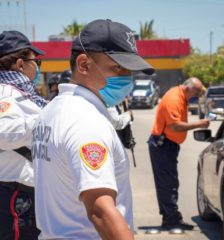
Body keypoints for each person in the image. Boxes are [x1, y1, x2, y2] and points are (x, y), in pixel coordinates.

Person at [32, 19, 154, 240]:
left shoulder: (51, 111)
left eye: (129, 70)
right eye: (118, 67)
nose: (126, 77)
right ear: (83, 64)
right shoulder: (86, 121)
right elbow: (101, 210)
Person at [0, 30, 47, 239]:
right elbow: (4, 134)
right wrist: (48, 120)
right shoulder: (7, 93)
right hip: (16, 197)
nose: (37, 66)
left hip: (24, 195)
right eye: (35, 60)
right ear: (20, 64)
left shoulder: (20, 92)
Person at [148, 77, 210, 231]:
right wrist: (200, 124)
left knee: (167, 183)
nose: (196, 96)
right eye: (196, 93)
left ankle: (169, 217)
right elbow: (175, 126)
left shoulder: (181, 95)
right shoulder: (174, 99)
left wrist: (203, 96)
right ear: (188, 88)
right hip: (163, 145)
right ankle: (172, 219)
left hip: (167, 145)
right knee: (168, 184)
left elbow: (197, 93)